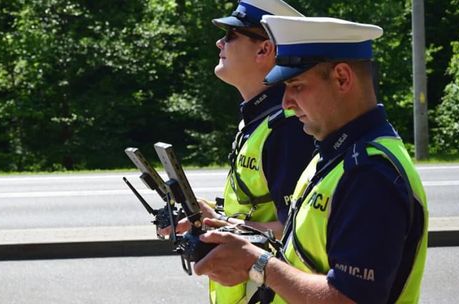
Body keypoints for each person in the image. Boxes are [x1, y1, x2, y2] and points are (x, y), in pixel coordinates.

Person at [194, 16, 429, 304]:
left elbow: (348, 299)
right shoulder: (336, 155)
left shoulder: (370, 174)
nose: (286, 103)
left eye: (297, 86)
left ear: (342, 78)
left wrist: (256, 265)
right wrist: (226, 227)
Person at [160, 1, 314, 303]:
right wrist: (212, 218)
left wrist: (223, 230)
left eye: (231, 35)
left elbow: (294, 230)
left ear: (264, 50)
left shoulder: (287, 127)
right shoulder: (259, 120)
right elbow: (259, 211)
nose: (219, 42)